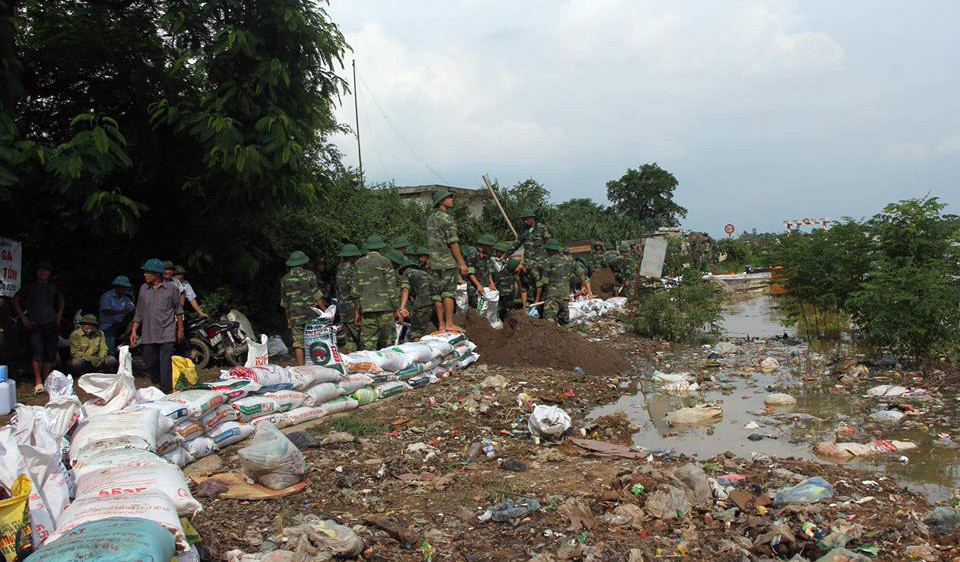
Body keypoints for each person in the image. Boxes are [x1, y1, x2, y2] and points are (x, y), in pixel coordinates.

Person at [130, 258, 184, 392]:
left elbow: (178, 310)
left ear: (157, 274)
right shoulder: (143, 289)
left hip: (167, 331)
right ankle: (159, 381)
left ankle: (166, 390)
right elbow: (139, 311)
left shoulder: (171, 289)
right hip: (148, 332)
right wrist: (134, 330)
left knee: (165, 362)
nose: (145, 275)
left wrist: (180, 330)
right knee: (149, 360)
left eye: (148, 272)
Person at [13, 261, 65, 393]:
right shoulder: (30, 286)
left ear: (49, 273)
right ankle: (38, 381)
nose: (43, 273)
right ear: (37, 272)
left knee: (50, 353)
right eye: (41, 270)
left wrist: (59, 315)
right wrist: (23, 317)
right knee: (37, 353)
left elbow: (61, 299)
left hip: (51, 323)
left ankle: (46, 378)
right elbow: (15, 300)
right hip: (35, 324)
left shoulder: (54, 286)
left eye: (46, 271)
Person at [426, 189, 468, 332]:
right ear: (441, 201)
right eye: (449, 198)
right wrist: (462, 262)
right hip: (447, 262)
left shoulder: (430, 219)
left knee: (437, 294)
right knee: (448, 293)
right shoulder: (447, 219)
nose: (452, 199)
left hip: (434, 262)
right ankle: (449, 323)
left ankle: (441, 325)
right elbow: (453, 242)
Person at [351, 236, 399, 351]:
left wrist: (357, 310)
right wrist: (397, 308)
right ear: (380, 248)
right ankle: (389, 366)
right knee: (387, 341)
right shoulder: (385, 262)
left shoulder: (359, 263)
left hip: (367, 309)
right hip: (385, 308)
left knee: (368, 341)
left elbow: (355, 290)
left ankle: (370, 366)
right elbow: (391, 288)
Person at [280, 250, 324, 366]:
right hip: (311, 314)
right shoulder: (309, 275)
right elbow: (317, 295)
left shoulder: (285, 280)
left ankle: (302, 368)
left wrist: (288, 319)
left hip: (295, 315)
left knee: (298, 343)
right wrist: (324, 311)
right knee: (315, 339)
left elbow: (285, 303)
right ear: (303, 263)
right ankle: (317, 365)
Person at [404, 247, 439, 338]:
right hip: (436, 301)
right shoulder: (422, 271)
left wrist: (403, 307)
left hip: (424, 302)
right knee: (439, 324)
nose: (420, 259)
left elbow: (405, 290)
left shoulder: (408, 273)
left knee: (416, 332)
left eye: (421, 256)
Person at [334, 243, 363, 353]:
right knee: (360, 334)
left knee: (349, 335)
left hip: (343, 306)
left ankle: (351, 358)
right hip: (351, 306)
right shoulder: (351, 270)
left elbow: (337, 288)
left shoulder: (339, 269)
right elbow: (354, 290)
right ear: (351, 257)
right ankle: (363, 358)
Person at [540, 239, 574, 325]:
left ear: (550, 250)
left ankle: (552, 338)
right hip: (565, 295)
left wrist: (546, 295)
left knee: (549, 320)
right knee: (564, 321)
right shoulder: (569, 260)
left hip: (553, 296)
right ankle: (569, 337)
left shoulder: (548, 261)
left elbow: (545, 282)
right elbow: (581, 273)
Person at [99, 275, 135, 354]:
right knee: (110, 343)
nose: (125, 290)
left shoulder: (126, 299)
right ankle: (110, 355)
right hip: (108, 325)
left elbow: (132, 309)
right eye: (123, 287)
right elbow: (106, 310)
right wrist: (121, 312)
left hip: (121, 325)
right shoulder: (107, 296)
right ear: (117, 287)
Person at [512, 208, 550, 283]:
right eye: (524, 219)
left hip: (541, 263)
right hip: (529, 264)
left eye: (527, 219)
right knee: (531, 285)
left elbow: (548, 243)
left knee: (543, 284)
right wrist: (505, 254)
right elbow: (516, 244)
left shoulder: (542, 228)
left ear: (532, 218)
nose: (525, 221)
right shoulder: (522, 230)